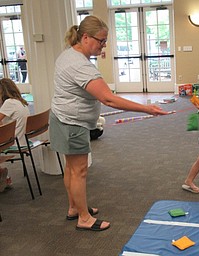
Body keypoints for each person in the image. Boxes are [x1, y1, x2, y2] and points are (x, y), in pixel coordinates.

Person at [50, 15, 168, 232]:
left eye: (105, 41)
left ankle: (75, 208)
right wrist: (147, 109)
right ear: (85, 37)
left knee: (72, 168)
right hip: (71, 123)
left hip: (62, 118)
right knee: (79, 171)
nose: (103, 46)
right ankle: (83, 218)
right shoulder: (80, 65)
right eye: (101, 41)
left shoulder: (68, 55)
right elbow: (108, 99)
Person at [0, 78, 30, 191]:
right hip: (22, 140)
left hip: (13, 142)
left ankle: (3, 174)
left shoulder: (9, 103)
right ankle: (4, 176)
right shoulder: (21, 102)